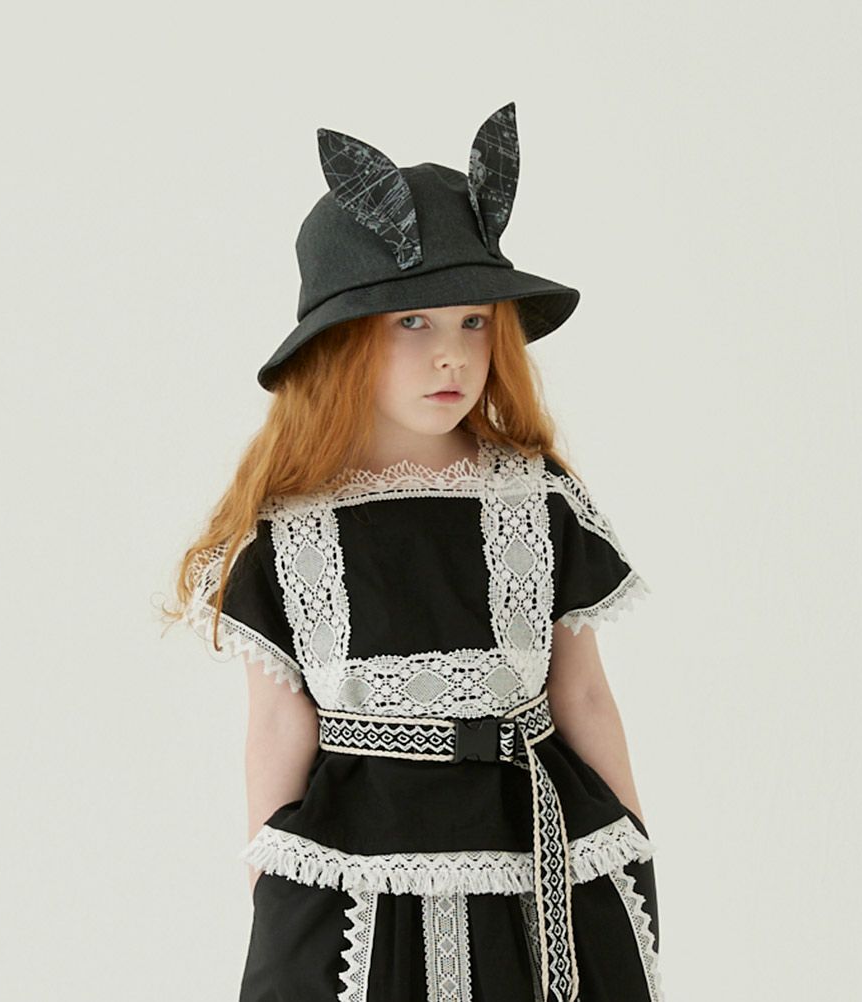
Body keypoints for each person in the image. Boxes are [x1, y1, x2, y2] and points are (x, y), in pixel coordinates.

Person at [164, 101, 664, 1002]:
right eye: (413, 324)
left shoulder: (536, 497)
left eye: (473, 322)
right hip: (361, 877)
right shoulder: (290, 526)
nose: (452, 358)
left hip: (538, 860)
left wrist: (633, 842)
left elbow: (582, 690)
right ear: (340, 339)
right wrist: (274, 896)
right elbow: (278, 724)